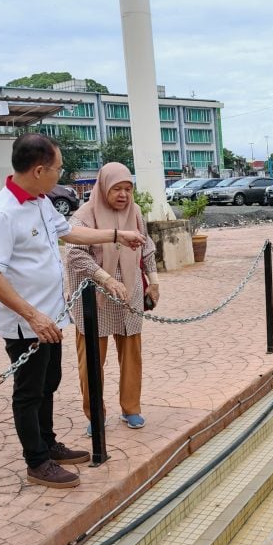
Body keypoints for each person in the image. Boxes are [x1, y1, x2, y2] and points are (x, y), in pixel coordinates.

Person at [0, 134, 146, 489]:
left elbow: (70, 232)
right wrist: (32, 316)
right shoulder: (1, 213)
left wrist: (118, 235)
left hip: (51, 318)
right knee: (29, 391)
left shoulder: (40, 201)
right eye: (57, 168)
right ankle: (36, 461)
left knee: (49, 383)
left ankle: (49, 444)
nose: (60, 174)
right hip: (27, 325)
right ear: (39, 169)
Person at [64, 163, 159, 436]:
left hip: (129, 294)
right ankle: (95, 414)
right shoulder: (83, 216)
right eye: (117, 188)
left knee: (132, 355)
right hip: (94, 299)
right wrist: (105, 278)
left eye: (128, 189)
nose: (123, 195)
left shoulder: (135, 213)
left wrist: (154, 282)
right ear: (104, 187)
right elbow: (74, 254)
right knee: (92, 360)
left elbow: (147, 248)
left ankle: (131, 408)